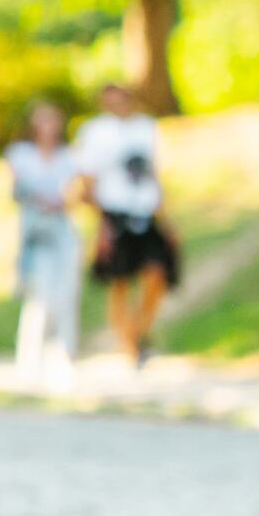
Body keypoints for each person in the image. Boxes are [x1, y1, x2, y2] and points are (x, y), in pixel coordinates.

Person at [79, 90, 180, 369]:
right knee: (120, 282)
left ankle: (139, 331)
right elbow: (88, 182)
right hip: (115, 213)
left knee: (157, 274)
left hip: (145, 210)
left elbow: (155, 174)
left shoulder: (146, 128)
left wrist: (167, 219)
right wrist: (102, 225)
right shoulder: (95, 132)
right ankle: (130, 347)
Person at [5, 99, 80, 377]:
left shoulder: (68, 156)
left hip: (62, 229)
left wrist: (62, 200)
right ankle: (30, 360)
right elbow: (15, 190)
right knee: (40, 296)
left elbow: (75, 192)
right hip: (35, 230)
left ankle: (65, 354)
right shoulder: (21, 154)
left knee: (67, 292)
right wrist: (38, 197)